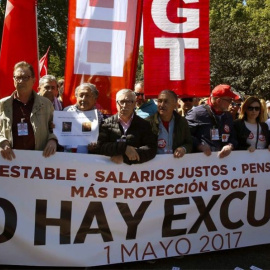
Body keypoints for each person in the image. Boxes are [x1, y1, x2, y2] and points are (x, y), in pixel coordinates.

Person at [0, 61, 57, 160]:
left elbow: (55, 128)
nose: (21, 81)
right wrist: (2, 141)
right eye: (17, 78)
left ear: (34, 80)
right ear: (13, 80)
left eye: (25, 77)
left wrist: (53, 140)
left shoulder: (46, 104)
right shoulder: (3, 104)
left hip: (39, 161)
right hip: (9, 163)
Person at [97, 89, 157, 164]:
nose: (125, 106)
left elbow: (151, 149)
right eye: (122, 102)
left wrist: (125, 158)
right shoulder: (106, 124)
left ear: (134, 104)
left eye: (129, 102)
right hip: (110, 172)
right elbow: (100, 146)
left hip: (134, 173)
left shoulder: (144, 125)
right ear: (116, 103)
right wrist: (124, 148)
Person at [186, 84, 238, 158]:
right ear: (218, 100)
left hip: (223, 162)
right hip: (201, 162)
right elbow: (185, 135)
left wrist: (230, 146)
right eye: (229, 100)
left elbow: (233, 137)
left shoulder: (228, 116)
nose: (231, 103)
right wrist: (199, 146)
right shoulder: (197, 113)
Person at [147, 90, 192, 157]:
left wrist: (183, 149)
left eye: (166, 101)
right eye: (160, 101)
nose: (162, 105)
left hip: (175, 164)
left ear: (175, 104)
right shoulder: (148, 123)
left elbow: (189, 143)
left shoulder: (182, 122)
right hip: (155, 165)